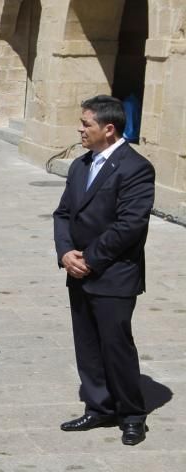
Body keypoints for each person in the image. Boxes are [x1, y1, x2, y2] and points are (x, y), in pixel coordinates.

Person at [54, 95, 154, 446]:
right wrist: (66, 252)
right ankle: (99, 406)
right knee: (88, 345)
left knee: (115, 345)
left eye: (86, 124)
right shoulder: (81, 165)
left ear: (108, 129)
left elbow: (130, 225)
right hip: (77, 271)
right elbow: (63, 213)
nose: (80, 130)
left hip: (113, 274)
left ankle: (131, 414)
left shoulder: (135, 168)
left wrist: (89, 259)